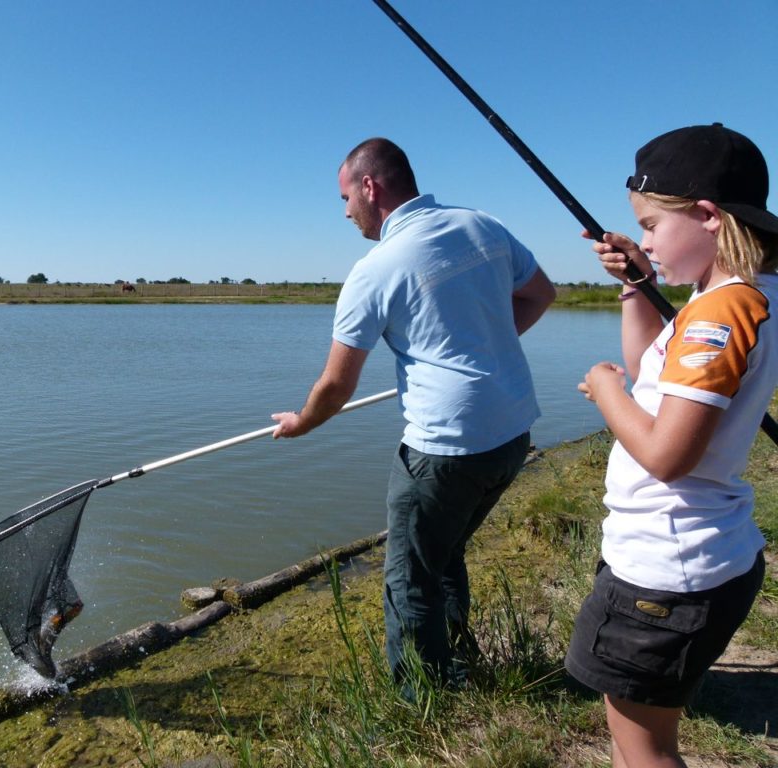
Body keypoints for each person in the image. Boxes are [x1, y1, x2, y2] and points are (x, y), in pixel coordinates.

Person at [272, 137, 556, 690]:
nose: (345, 211)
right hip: (512, 434)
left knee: (409, 578)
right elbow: (542, 294)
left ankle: (419, 703)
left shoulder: (375, 269)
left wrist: (300, 423)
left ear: (369, 187)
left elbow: (336, 385)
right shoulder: (483, 226)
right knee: (443, 552)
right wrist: (482, 354)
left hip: (446, 448)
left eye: (344, 198)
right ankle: (454, 668)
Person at [566, 123, 778, 768]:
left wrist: (604, 390)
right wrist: (638, 283)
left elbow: (665, 453)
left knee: (644, 752)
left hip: (668, 569)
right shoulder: (738, 296)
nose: (646, 240)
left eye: (653, 225)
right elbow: (653, 375)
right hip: (698, 554)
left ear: (709, 216)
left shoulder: (721, 313)